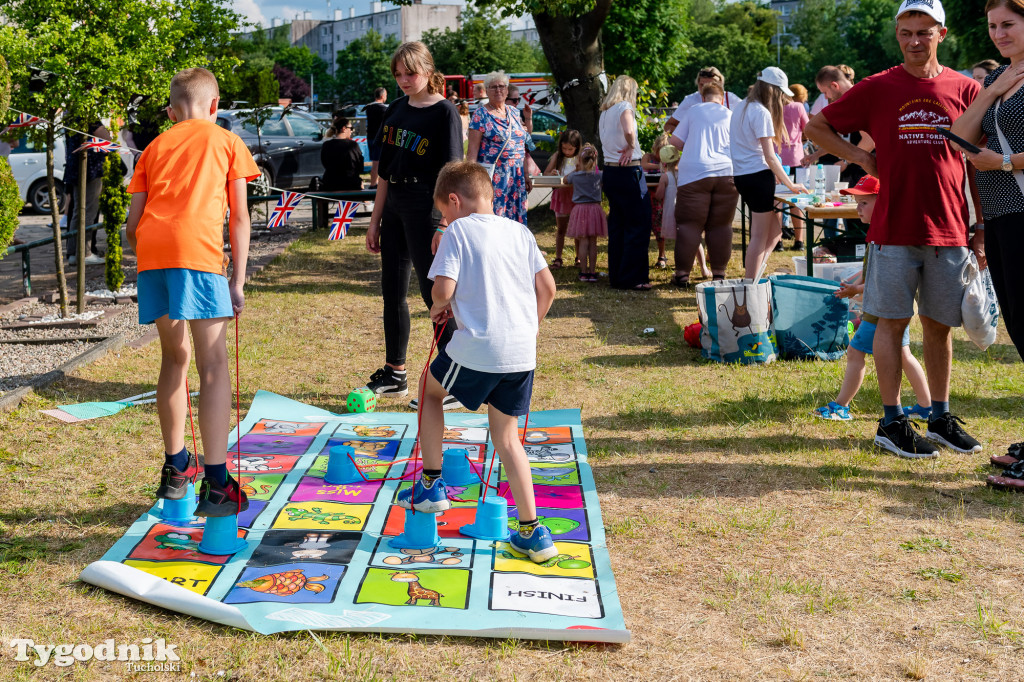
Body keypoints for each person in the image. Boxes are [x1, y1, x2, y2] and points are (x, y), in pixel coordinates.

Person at [805, 0, 985, 459]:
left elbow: (978, 166)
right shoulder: (879, 87)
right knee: (890, 323)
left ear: (941, 34)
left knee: (940, 327)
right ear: (897, 33)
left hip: (949, 228)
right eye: (906, 31)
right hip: (892, 227)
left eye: (923, 32)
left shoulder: (964, 89)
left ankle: (939, 415)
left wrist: (980, 225)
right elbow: (816, 126)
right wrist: (864, 159)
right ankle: (891, 421)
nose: (913, 41)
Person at [397, 160, 558, 564]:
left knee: (429, 394)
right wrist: (528, 326)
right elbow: (549, 289)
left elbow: (443, 288)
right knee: (506, 438)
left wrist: (439, 306)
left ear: (454, 200)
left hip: (479, 348)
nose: (445, 219)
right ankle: (532, 532)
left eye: (444, 212)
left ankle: (432, 485)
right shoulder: (520, 231)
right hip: (522, 352)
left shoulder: (459, 231)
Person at [124, 67, 259, 516]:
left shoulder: (154, 147)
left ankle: (175, 466)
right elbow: (239, 218)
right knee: (213, 365)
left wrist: (153, 249)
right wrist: (237, 281)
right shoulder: (226, 141)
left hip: (153, 254)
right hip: (197, 255)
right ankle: (218, 483)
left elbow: (131, 226)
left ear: (170, 111)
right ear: (215, 106)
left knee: (174, 359)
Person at [365, 42, 463, 406]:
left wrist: (444, 224)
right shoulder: (395, 109)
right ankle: (395, 373)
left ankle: (457, 378)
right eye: (398, 75)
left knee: (432, 293)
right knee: (392, 290)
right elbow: (385, 173)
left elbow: (453, 174)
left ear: (427, 69)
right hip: (394, 207)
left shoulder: (445, 112)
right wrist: (374, 221)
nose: (404, 80)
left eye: (411, 73)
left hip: (428, 207)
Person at [950, 0, 1024, 412]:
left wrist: (1006, 162)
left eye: (1009, 24)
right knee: (1017, 322)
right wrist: (992, 89)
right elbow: (959, 136)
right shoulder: (999, 76)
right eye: (994, 26)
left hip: (1020, 210)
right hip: (998, 215)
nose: (999, 34)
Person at [814, 175, 932, 426]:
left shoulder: (886, 236)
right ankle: (925, 406)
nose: (857, 209)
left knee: (855, 351)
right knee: (902, 354)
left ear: (884, 201)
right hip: (888, 304)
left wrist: (855, 289)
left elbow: (886, 279)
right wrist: (854, 280)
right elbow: (872, 271)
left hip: (883, 306)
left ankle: (841, 407)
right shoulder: (878, 232)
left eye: (864, 203)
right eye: (857, 202)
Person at [731, 67, 807, 280]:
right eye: (781, 94)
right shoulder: (761, 112)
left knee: (775, 233)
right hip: (757, 177)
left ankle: (754, 278)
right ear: (773, 90)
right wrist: (791, 186)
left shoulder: (742, 107)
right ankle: (750, 284)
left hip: (744, 177)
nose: (783, 99)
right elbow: (770, 156)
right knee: (759, 237)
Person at [668, 82, 736, 287]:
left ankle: (682, 275)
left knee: (689, 225)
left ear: (703, 97)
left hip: (695, 173)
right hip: (727, 173)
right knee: (722, 225)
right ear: (722, 98)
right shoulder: (730, 114)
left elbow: (675, 143)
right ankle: (719, 274)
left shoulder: (693, 110)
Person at [599, 75, 653, 290]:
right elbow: (629, 130)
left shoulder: (604, 112)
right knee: (638, 224)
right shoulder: (624, 107)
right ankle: (635, 277)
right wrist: (631, 146)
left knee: (618, 225)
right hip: (629, 171)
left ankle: (618, 276)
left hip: (611, 172)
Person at [468, 71, 534, 225]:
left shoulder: (514, 112)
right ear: (487, 90)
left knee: (516, 222)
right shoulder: (480, 114)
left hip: (516, 177)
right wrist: (471, 181)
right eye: (493, 87)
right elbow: (472, 151)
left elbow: (521, 146)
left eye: (501, 86)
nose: (498, 90)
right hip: (494, 178)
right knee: (495, 220)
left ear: (507, 90)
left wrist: (526, 174)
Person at [65, 121, 111, 265]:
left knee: (78, 210)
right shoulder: (87, 115)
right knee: (88, 210)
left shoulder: (70, 115)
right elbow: (106, 137)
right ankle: (84, 253)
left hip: (76, 166)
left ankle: (73, 253)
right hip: (89, 168)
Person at [562, 144, 607, 282]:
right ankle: (593, 272)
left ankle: (583, 272)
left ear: (579, 160)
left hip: (580, 210)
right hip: (595, 209)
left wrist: (576, 170)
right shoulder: (599, 175)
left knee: (583, 241)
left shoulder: (575, 176)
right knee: (593, 242)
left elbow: (564, 180)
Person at [544, 128, 582, 269]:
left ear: (577, 147)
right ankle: (558, 258)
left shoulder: (580, 158)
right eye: (564, 148)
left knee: (577, 229)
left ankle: (579, 257)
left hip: (576, 196)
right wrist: (552, 173)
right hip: (560, 195)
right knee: (561, 229)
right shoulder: (557, 156)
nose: (566, 151)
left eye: (570, 149)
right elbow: (546, 173)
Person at [663, 67, 742, 133]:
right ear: (697, 83)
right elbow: (669, 125)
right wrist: (688, 138)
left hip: (725, 149)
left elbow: (749, 119)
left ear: (720, 84)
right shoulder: (690, 100)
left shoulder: (730, 98)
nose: (705, 88)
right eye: (702, 84)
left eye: (710, 85)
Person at [781, 83, 811, 250]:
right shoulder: (798, 107)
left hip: (779, 159)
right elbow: (808, 128)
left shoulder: (775, 108)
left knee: (777, 202)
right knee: (797, 201)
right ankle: (799, 241)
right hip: (797, 157)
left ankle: (778, 240)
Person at [642, 134, 670, 269]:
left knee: (659, 228)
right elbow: (644, 164)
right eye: (660, 151)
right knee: (644, 226)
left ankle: (662, 254)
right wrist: (659, 167)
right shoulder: (648, 157)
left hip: (660, 198)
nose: (661, 155)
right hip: (647, 196)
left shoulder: (668, 161)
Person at [321, 117, 363, 192]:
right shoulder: (353, 145)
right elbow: (360, 166)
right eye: (351, 128)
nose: (352, 131)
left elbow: (325, 163)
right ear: (344, 128)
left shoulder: (326, 145)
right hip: (351, 184)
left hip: (330, 184)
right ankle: (367, 202)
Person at [365, 87, 388, 188]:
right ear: (382, 96)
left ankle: (374, 182)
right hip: (380, 138)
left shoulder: (369, 108)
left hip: (370, 137)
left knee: (374, 162)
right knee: (377, 163)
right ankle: (373, 184)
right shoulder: (383, 109)